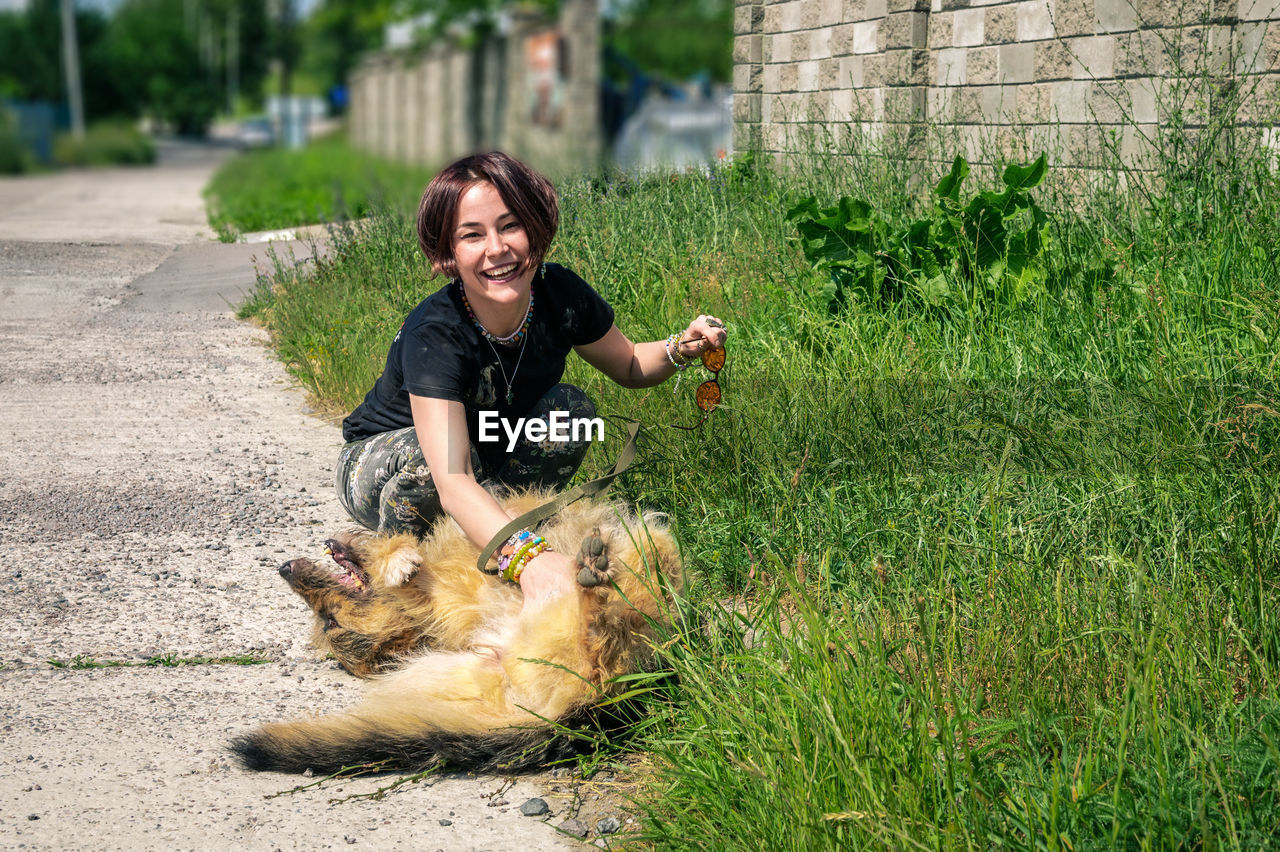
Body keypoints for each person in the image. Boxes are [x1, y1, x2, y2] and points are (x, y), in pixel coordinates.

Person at [336, 151, 727, 602]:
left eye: (509, 226)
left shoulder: (558, 294)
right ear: (448, 253)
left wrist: (683, 346)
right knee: (436, 467)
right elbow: (453, 476)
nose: (497, 249)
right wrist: (532, 561)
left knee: (570, 412)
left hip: (482, 449)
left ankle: (503, 528)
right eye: (472, 235)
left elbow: (631, 364)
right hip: (386, 461)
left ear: (535, 228)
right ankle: (392, 565)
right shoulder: (437, 334)